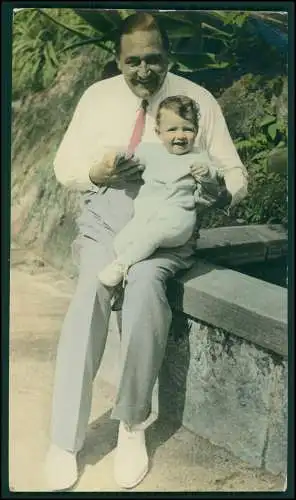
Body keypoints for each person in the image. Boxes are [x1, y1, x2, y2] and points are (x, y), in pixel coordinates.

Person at [44, 12, 248, 491]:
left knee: (144, 290)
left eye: (153, 60)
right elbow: (64, 165)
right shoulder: (97, 97)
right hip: (107, 222)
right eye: (132, 61)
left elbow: (235, 173)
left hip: (166, 231)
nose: (143, 71)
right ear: (118, 59)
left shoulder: (198, 100)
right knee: (89, 298)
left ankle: (132, 424)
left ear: (168, 56)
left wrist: (220, 193)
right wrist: (97, 173)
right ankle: (63, 441)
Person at [98, 95, 228, 288]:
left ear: (197, 131)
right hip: (145, 217)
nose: (180, 136)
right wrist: (118, 158)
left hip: (177, 220)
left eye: (188, 129)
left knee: (153, 236)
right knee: (121, 242)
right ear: (158, 133)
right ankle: (124, 278)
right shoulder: (150, 152)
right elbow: (130, 158)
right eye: (172, 129)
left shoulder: (199, 155)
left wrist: (206, 173)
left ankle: (122, 265)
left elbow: (215, 178)